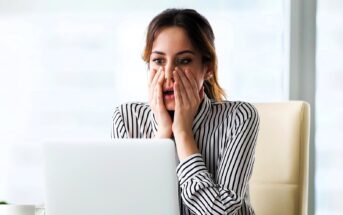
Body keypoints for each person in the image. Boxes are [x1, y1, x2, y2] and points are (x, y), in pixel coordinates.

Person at [111, 8, 260, 215]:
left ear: (207, 68)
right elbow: (128, 207)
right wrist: (163, 134)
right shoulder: (128, 118)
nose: (169, 75)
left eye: (184, 61)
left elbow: (220, 212)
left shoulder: (239, 117)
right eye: (158, 60)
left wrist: (182, 133)